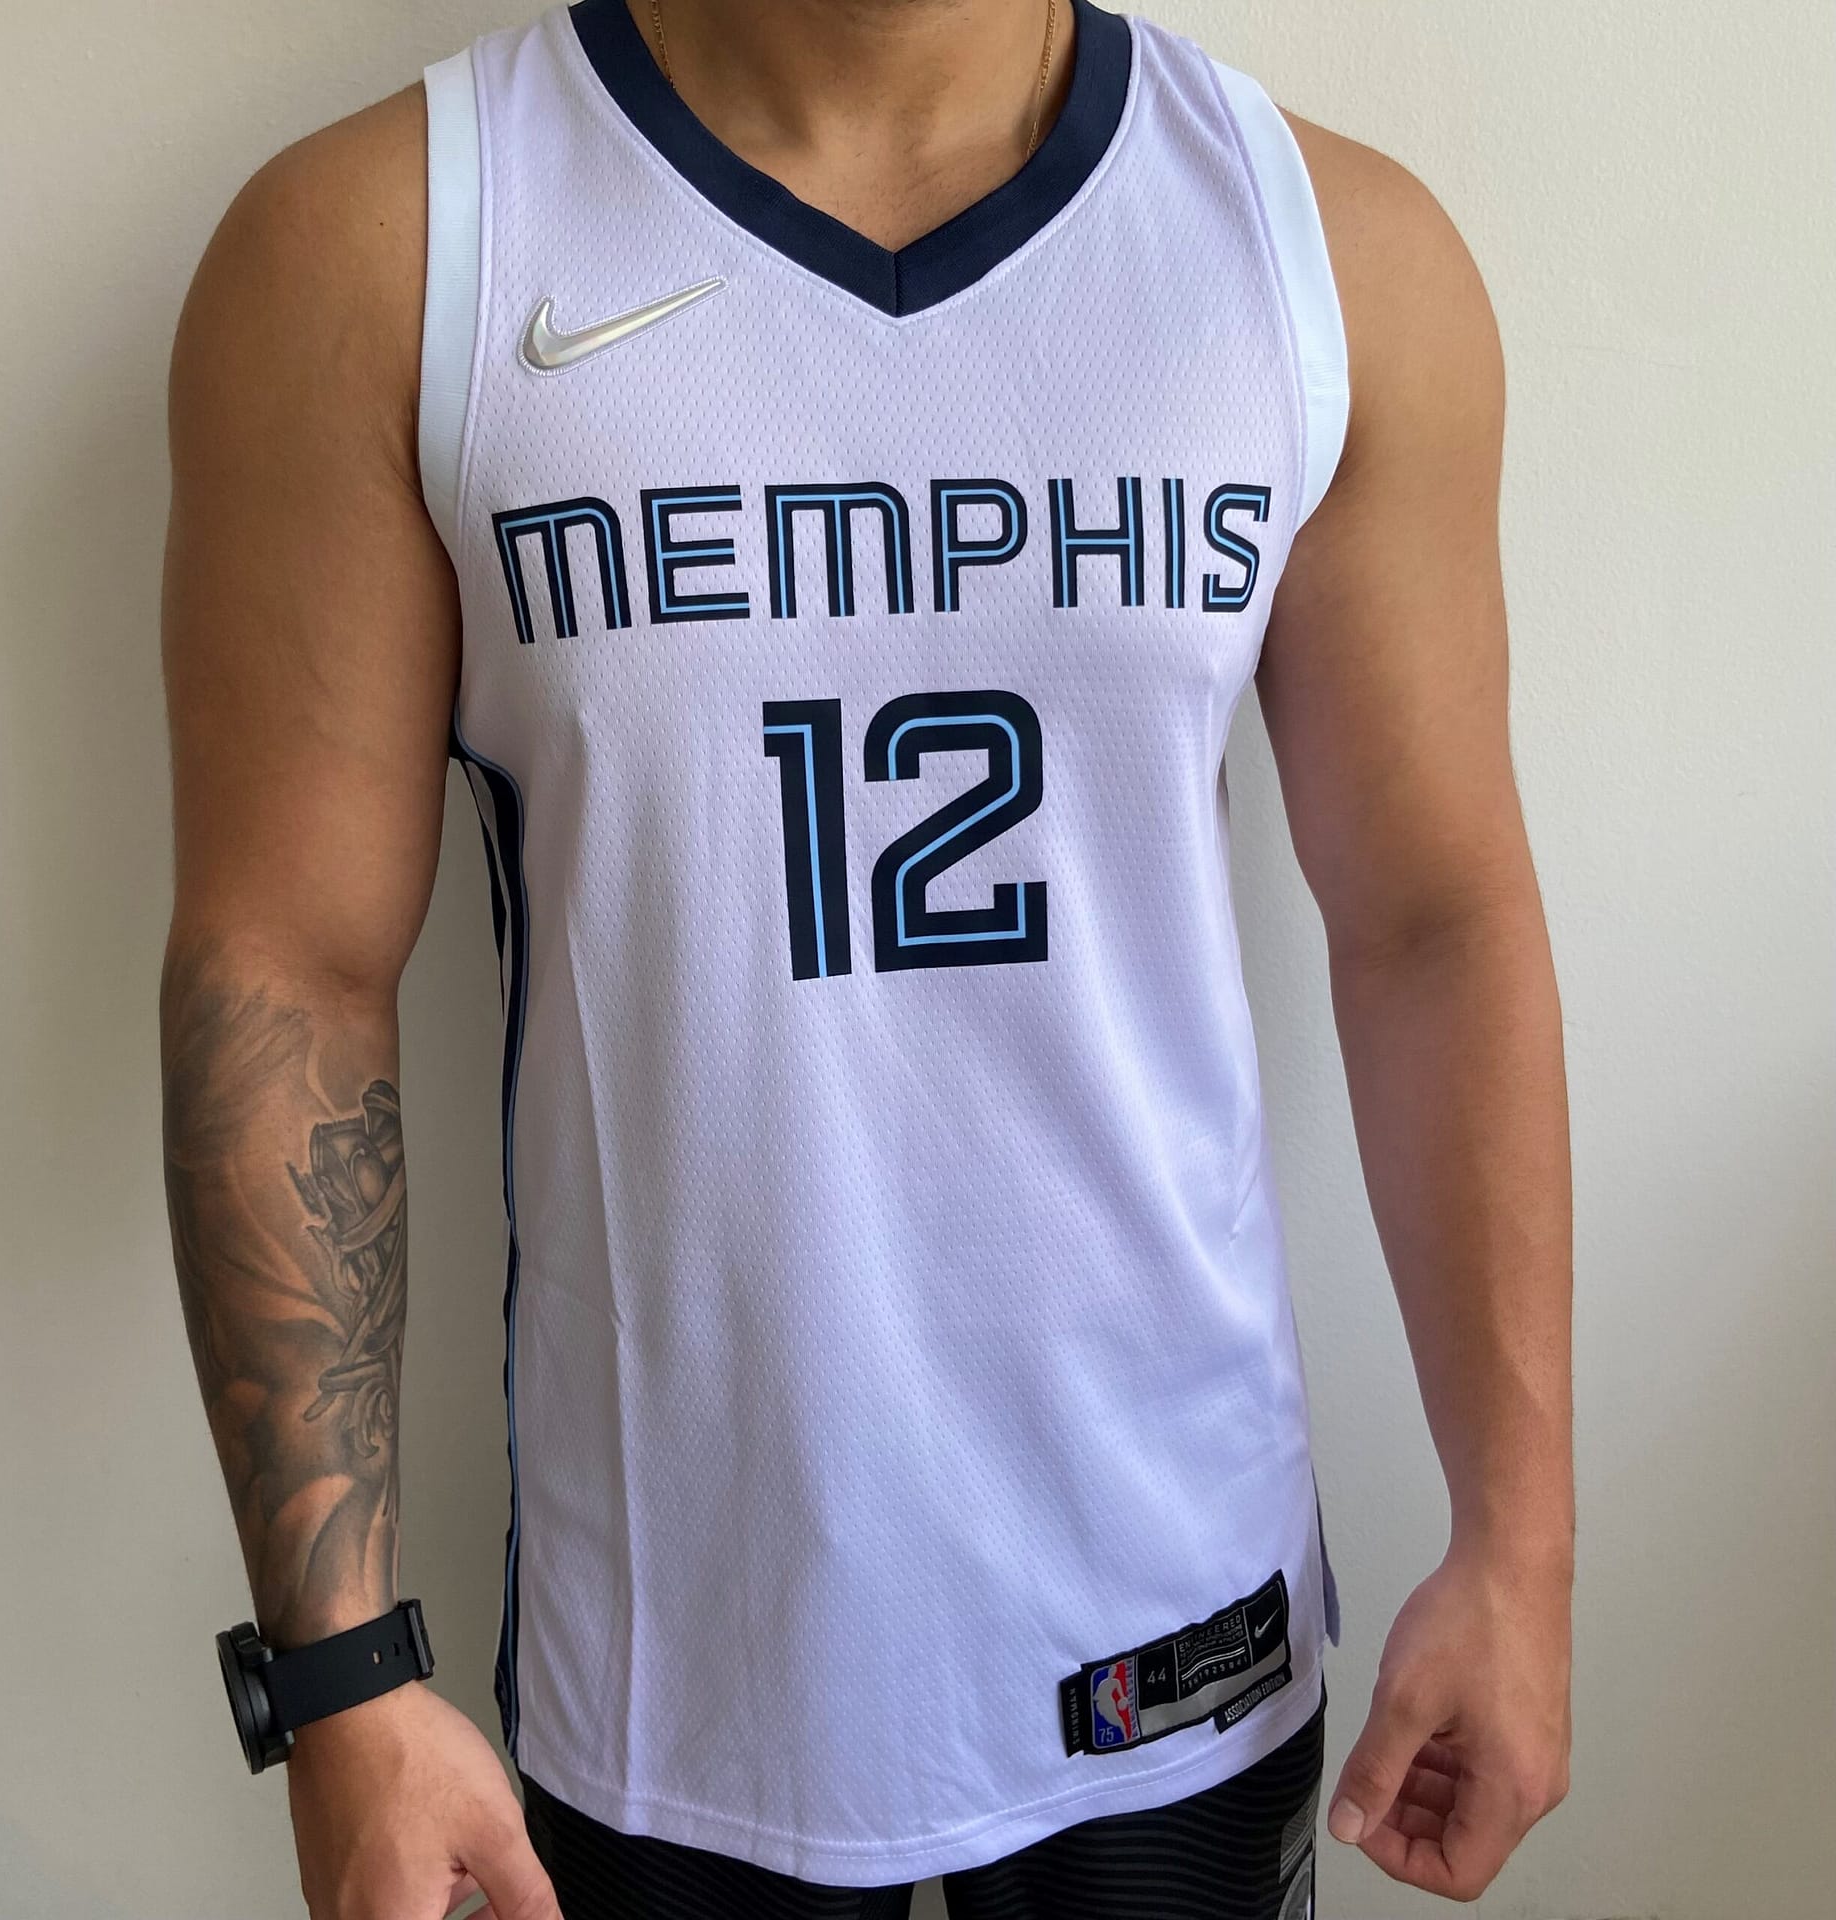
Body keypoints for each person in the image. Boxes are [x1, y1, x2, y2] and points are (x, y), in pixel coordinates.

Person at [159, 1, 1573, 1914]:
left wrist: (1520, 1546)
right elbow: (290, 970)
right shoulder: (392, 243)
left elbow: (1433, 918)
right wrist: (336, 1675)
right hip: (669, 1663)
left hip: (1177, 1622)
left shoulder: (1319, 251)